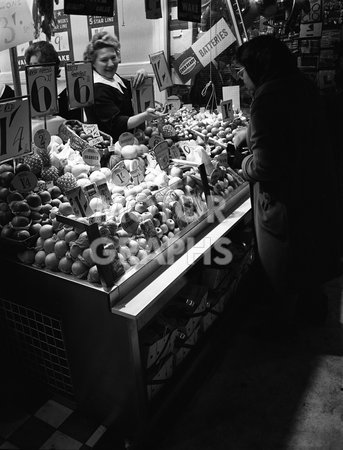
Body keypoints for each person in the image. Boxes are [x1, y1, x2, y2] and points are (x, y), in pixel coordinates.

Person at [233, 35, 340, 336]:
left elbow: (266, 166)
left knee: (284, 264)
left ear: (258, 66)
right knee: (311, 252)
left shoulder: (266, 99)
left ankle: (280, 326)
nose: (241, 78)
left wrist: (242, 165)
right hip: (315, 185)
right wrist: (249, 131)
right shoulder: (300, 84)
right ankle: (313, 307)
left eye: (242, 70)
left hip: (287, 199)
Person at [83, 31, 163, 144]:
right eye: (104, 60)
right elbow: (117, 123)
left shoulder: (113, 78)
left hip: (128, 142)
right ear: (92, 63)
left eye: (113, 57)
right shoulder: (96, 88)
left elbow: (134, 90)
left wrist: (143, 73)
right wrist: (146, 115)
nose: (111, 64)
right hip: (110, 146)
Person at [24, 41, 83, 121]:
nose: (31, 69)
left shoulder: (69, 92)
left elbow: (75, 123)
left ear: (50, 65)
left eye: (36, 64)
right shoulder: (30, 94)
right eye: (30, 65)